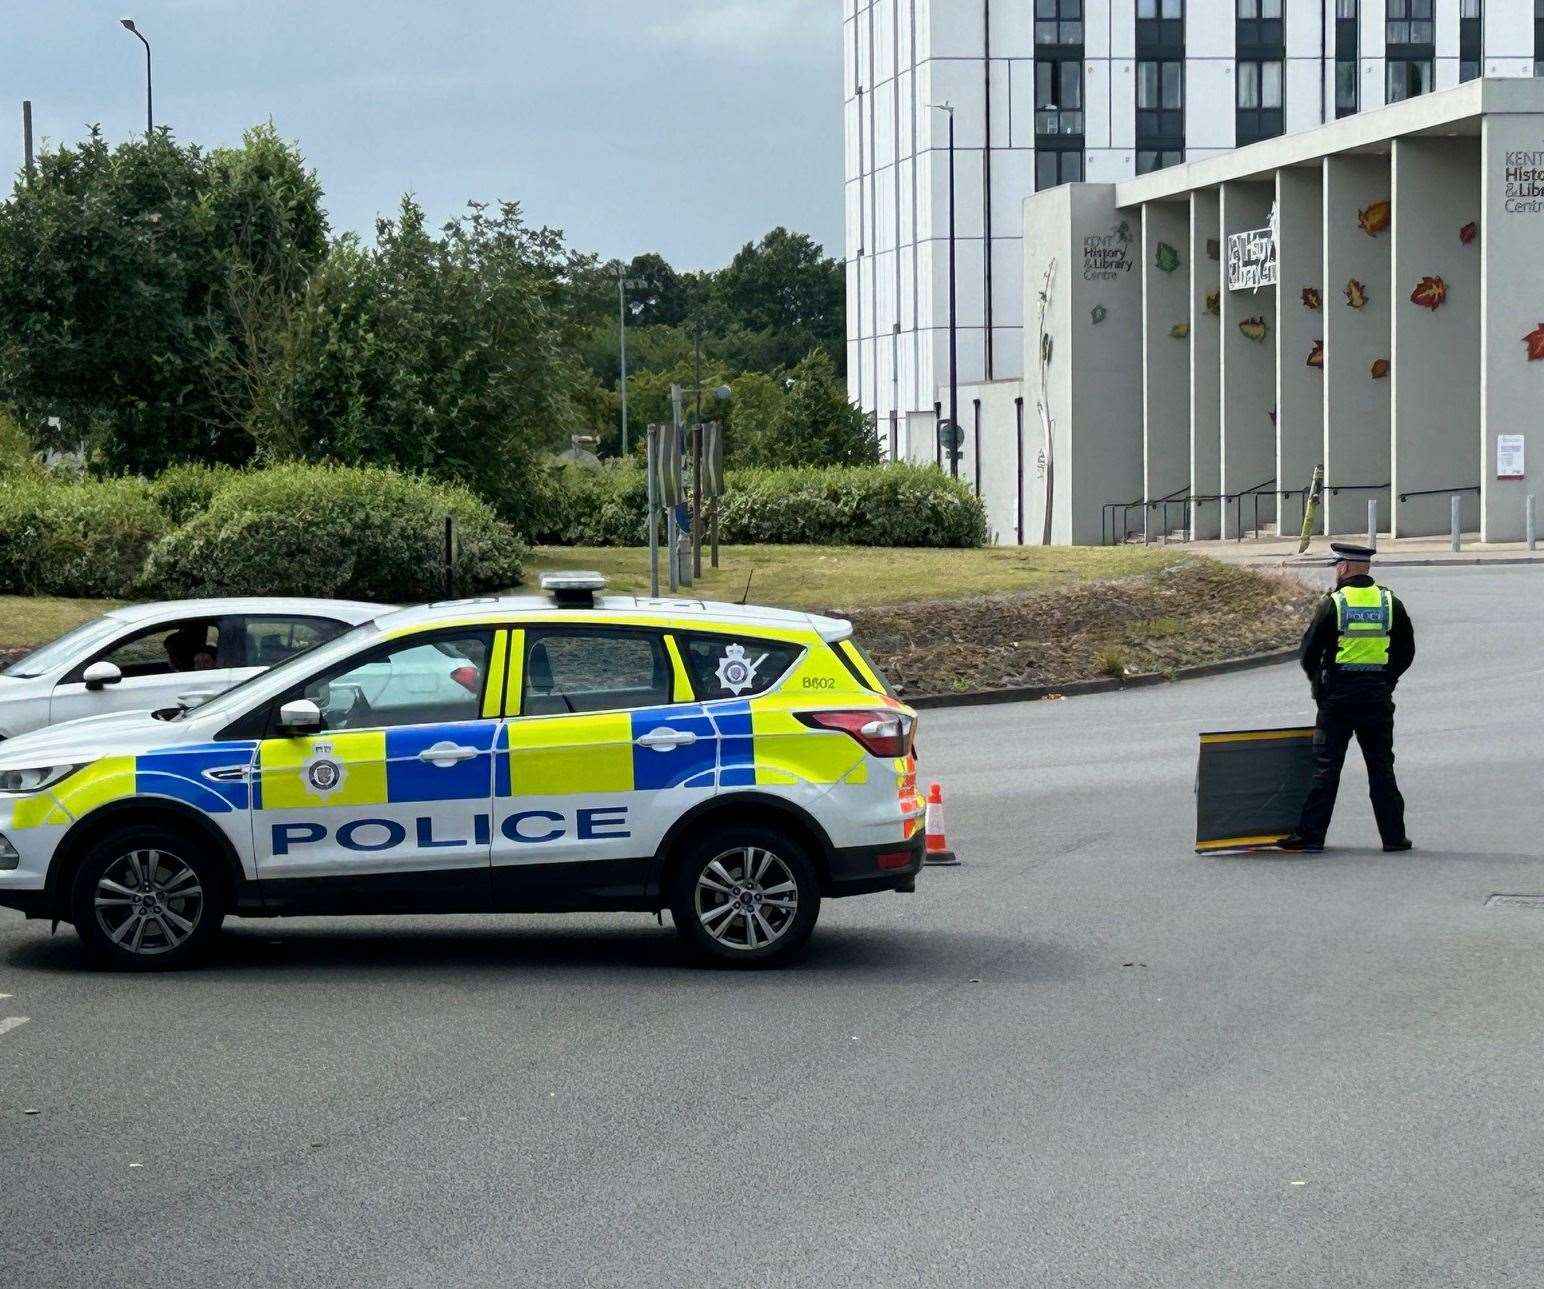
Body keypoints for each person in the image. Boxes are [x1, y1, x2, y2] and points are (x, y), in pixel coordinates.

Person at [1279, 542, 1414, 853]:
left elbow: (1309, 653)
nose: (1337, 570)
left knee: (1326, 768)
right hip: (1376, 697)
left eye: (1337, 565)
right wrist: (1386, 680)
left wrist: (1319, 688)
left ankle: (1311, 837)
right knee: (1381, 767)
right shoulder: (1389, 602)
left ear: (1346, 567)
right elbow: (1406, 651)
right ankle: (1394, 838)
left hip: (1338, 699)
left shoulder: (1334, 603)